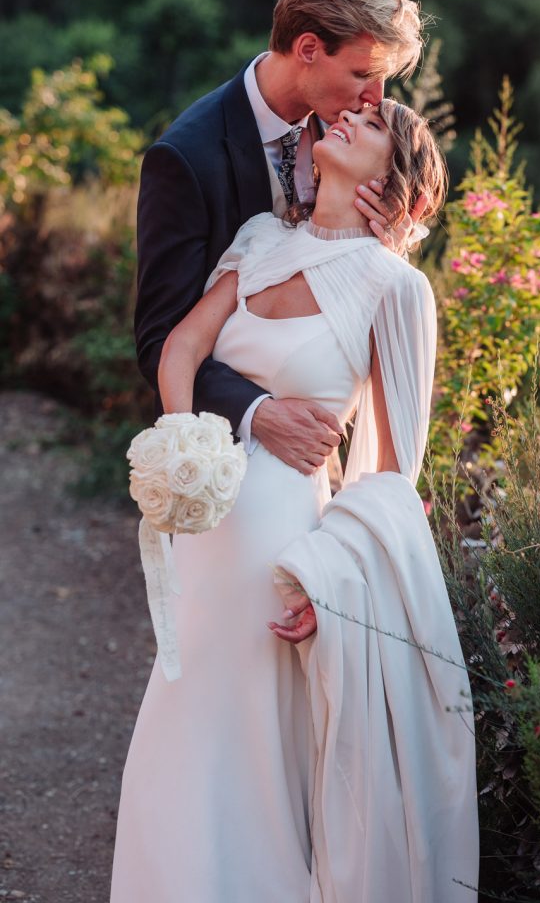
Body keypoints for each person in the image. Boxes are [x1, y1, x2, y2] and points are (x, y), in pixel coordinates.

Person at [110, 99, 479, 901]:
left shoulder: (396, 289)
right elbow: (180, 347)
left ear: (397, 175)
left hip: (288, 545)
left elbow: (390, 471)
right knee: (185, 711)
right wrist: (183, 448)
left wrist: (334, 584)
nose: (346, 118)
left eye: (374, 123)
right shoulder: (262, 239)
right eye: (348, 113)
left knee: (258, 740)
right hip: (207, 525)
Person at [134, 0, 431, 480]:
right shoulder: (187, 158)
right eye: (363, 74)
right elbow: (161, 338)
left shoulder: (349, 138)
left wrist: (388, 244)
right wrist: (258, 412)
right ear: (309, 49)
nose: (375, 99)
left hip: (325, 465)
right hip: (223, 462)